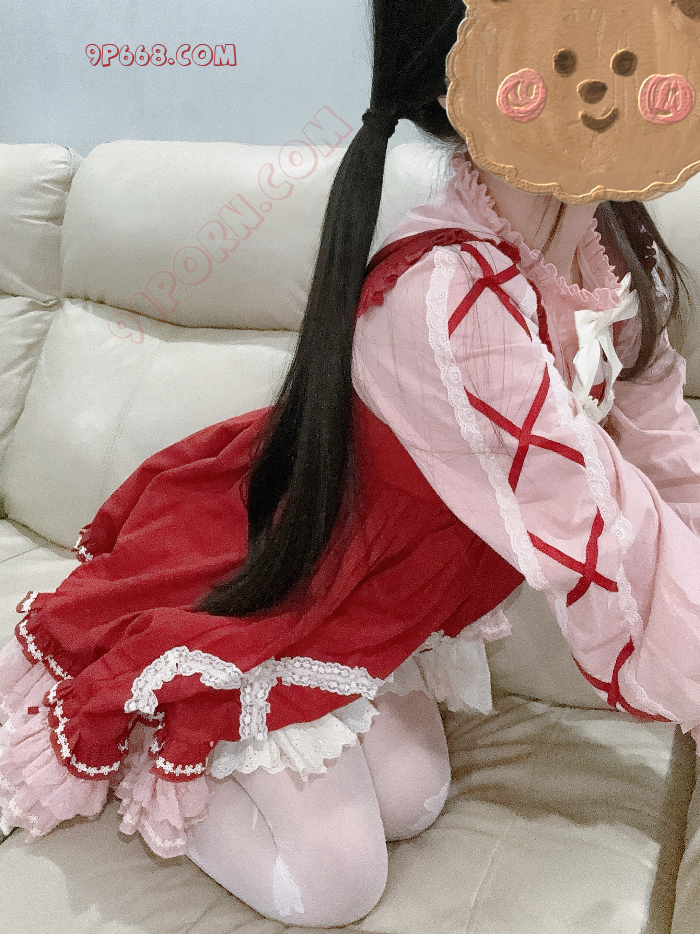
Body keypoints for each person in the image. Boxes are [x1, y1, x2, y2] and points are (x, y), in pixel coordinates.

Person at [2, 0, 700, 927]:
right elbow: (608, 537)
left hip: (381, 593)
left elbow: (670, 465)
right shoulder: (451, 300)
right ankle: (155, 725)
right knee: (335, 884)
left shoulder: (615, 253)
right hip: (283, 570)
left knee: (413, 798)